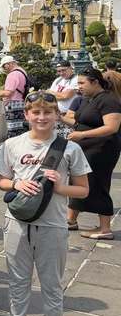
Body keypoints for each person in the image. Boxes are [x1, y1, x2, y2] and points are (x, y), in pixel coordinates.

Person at [0, 91, 90, 316]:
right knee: (18, 280)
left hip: (52, 224)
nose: (41, 117)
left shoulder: (70, 149)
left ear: (57, 115)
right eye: (35, 112)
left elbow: (83, 190)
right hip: (17, 222)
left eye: (48, 112)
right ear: (26, 115)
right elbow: (2, 181)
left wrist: (59, 185)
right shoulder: (12, 144)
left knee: (52, 282)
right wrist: (17, 184)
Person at [63, 67, 121, 240]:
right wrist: (59, 117)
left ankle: (105, 229)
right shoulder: (88, 99)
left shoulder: (109, 100)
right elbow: (79, 123)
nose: (79, 86)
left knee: (97, 184)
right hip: (84, 148)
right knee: (79, 182)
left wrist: (82, 135)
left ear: (95, 82)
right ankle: (70, 220)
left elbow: (111, 127)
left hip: (101, 150)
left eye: (82, 83)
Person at [0, 55, 29, 139]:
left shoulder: (12, 74)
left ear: (9, 64)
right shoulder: (22, 71)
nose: (4, 68)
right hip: (21, 102)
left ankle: (13, 145)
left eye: (4, 66)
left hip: (13, 105)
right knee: (21, 128)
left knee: (13, 129)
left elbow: (8, 93)